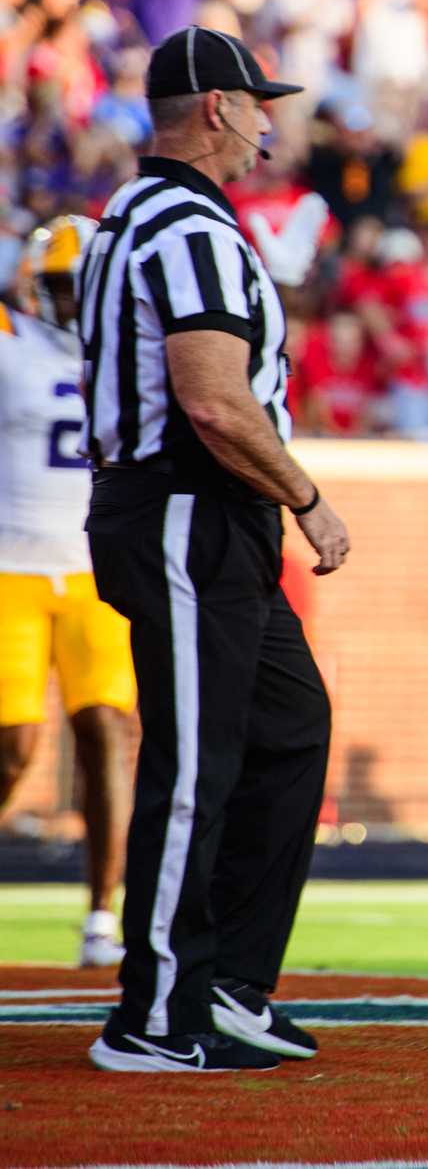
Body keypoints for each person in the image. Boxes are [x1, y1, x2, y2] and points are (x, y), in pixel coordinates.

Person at [78, 25, 348, 1072]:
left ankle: (226, 981)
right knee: (195, 762)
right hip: (187, 504)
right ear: (218, 107)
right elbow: (213, 399)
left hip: (198, 512)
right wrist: (309, 499)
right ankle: (151, 1010)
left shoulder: (139, 216)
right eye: (256, 101)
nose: (268, 122)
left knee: (289, 728)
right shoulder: (184, 225)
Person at [0, 216, 135, 970]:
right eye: (58, 284)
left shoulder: (129, 348)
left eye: (82, 285)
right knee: (13, 746)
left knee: (108, 730)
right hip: (10, 566)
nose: (71, 300)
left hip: (92, 570)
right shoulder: (9, 341)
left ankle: (101, 913)